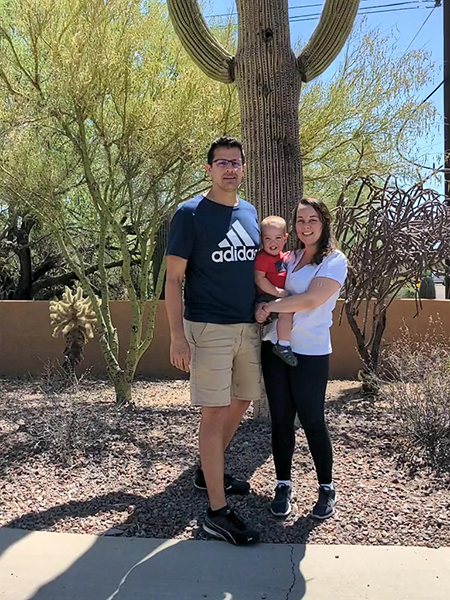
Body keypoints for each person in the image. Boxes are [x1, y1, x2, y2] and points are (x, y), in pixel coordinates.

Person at [165, 136, 261, 546]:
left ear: (243, 168)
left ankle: (209, 472)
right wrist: (176, 337)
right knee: (214, 412)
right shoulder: (190, 214)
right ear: (208, 169)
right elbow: (173, 279)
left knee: (242, 399)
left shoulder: (251, 213)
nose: (229, 169)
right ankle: (216, 514)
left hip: (247, 328)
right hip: (208, 328)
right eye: (221, 162)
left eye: (235, 162)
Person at [256, 197, 347, 520]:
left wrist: (270, 307)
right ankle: (283, 484)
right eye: (300, 220)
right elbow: (267, 284)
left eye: (312, 220)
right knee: (280, 419)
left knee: (312, 420)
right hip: (275, 348)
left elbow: (310, 300)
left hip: (310, 352)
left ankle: (326, 487)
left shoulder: (334, 261)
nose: (305, 226)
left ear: (324, 223)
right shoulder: (288, 257)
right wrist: (261, 306)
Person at [254, 215, 297, 367]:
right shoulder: (262, 258)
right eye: (268, 239)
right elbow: (260, 279)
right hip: (266, 295)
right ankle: (283, 345)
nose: (273, 243)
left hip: (277, 296)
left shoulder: (285, 257)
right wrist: (278, 292)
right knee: (286, 310)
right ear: (261, 239)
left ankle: (282, 342)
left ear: (285, 238)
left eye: (278, 238)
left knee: (287, 312)